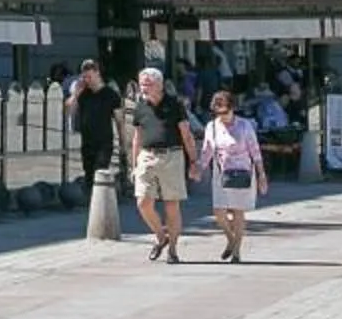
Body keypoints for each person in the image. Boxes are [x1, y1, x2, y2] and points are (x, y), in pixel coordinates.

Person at [123, 65, 200, 263]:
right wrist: (133, 165)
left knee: (171, 205)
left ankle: (172, 249)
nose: (143, 88)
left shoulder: (174, 104)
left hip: (172, 156)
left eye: (148, 84)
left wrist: (193, 161)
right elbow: (137, 137)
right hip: (147, 156)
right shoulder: (140, 106)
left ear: (159, 85)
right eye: (142, 84)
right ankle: (160, 236)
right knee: (143, 202)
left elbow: (186, 134)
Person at [202, 89, 266, 262]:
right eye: (219, 113)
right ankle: (231, 238)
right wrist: (199, 168)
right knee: (219, 212)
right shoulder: (212, 127)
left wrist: (261, 174)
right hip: (221, 172)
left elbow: (255, 151)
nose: (222, 116)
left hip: (242, 171)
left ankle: (236, 251)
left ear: (232, 109)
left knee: (238, 211)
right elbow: (207, 150)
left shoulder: (245, 125)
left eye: (225, 112)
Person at [66, 62, 122, 192]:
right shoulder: (84, 94)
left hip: (104, 142)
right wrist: (76, 93)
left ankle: (101, 198)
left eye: (89, 77)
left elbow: (119, 120)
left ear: (97, 74)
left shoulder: (110, 95)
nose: (87, 80)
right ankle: (91, 198)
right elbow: (69, 110)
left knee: (100, 171)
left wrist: (122, 142)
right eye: (84, 77)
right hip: (87, 141)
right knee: (89, 174)